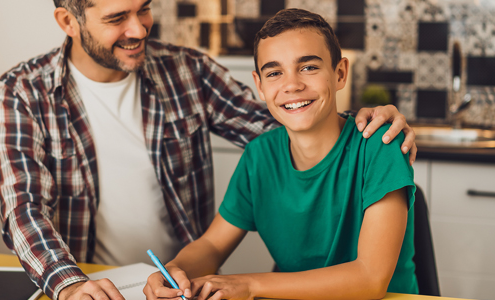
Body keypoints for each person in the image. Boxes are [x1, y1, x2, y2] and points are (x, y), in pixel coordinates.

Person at [0, 1, 417, 299]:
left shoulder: (186, 70)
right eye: (118, 17)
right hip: (91, 283)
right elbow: (22, 206)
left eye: (144, 9)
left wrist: (371, 123)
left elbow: (298, 120)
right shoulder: (23, 91)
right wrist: (69, 284)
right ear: (68, 20)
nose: (138, 29)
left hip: (177, 283)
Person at [144, 8, 418, 300]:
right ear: (259, 86)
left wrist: (248, 284)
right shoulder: (259, 156)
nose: (292, 85)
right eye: (274, 73)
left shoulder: (381, 145)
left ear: (339, 74)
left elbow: (370, 278)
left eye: (309, 67)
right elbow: (212, 245)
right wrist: (174, 270)